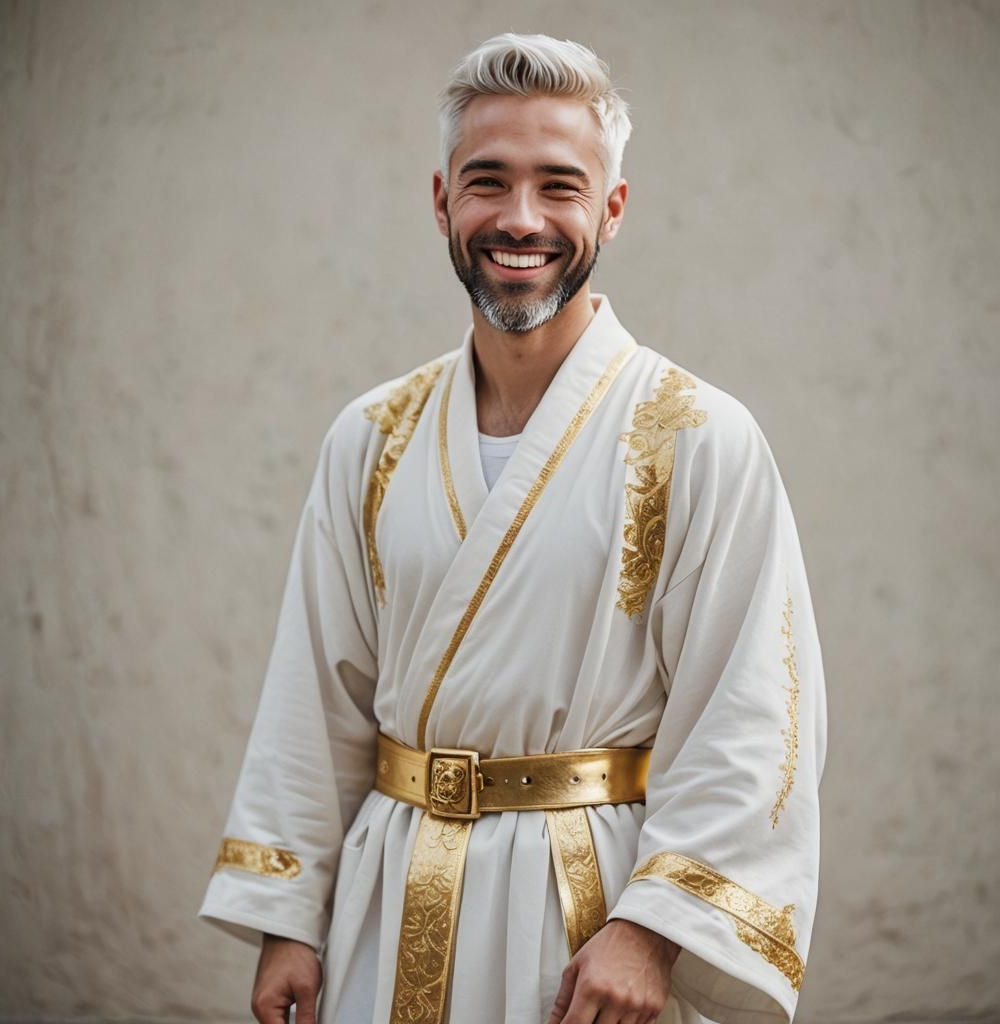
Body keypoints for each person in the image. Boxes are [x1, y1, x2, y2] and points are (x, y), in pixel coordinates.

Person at [199, 32, 827, 1024]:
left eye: (559, 186)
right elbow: (314, 689)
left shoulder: (699, 437)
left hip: (591, 919)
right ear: (442, 200)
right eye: (487, 182)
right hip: (389, 898)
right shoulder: (372, 438)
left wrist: (653, 930)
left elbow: (746, 716)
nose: (520, 219)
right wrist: (291, 918)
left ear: (611, 209)